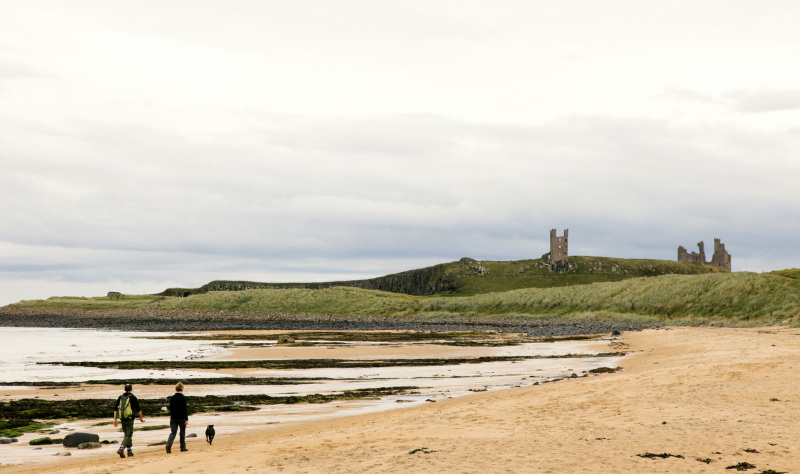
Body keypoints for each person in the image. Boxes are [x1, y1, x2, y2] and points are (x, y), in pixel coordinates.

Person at [113, 383, 144, 458]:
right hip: (130, 418)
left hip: (122, 418)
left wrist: (115, 419)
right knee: (128, 435)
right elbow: (138, 409)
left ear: (124, 389)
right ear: (131, 389)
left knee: (127, 434)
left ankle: (129, 451)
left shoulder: (120, 397)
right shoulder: (133, 397)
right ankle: (121, 448)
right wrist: (141, 418)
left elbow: (115, 409)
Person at [166, 382, 189, 453]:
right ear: (182, 388)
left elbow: (170, 408)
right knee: (182, 432)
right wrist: (186, 419)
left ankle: (169, 444)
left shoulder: (172, 398)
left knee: (173, 432)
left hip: (173, 417)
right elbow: (184, 409)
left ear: (176, 388)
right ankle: (182, 447)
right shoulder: (183, 398)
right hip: (181, 418)